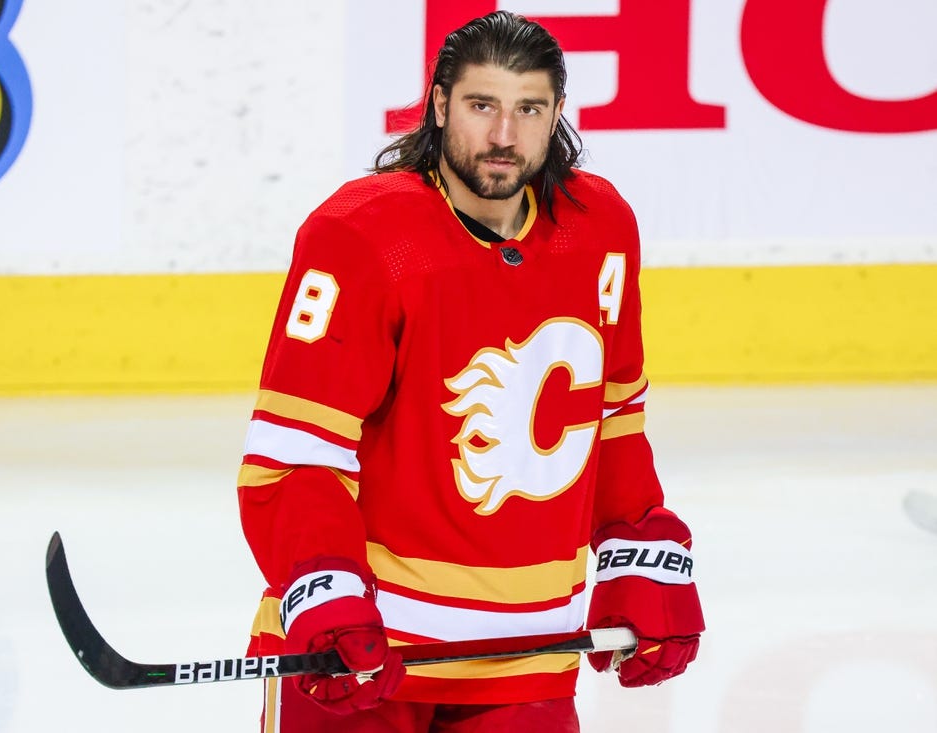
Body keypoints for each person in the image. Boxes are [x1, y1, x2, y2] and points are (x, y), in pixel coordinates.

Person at [237, 10, 704, 732]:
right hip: (369, 651)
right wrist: (322, 585)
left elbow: (614, 419)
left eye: (529, 110)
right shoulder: (362, 239)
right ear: (440, 104)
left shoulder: (601, 229)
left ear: (556, 117)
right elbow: (298, 454)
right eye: (483, 106)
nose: (504, 137)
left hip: (528, 657)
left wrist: (637, 549)